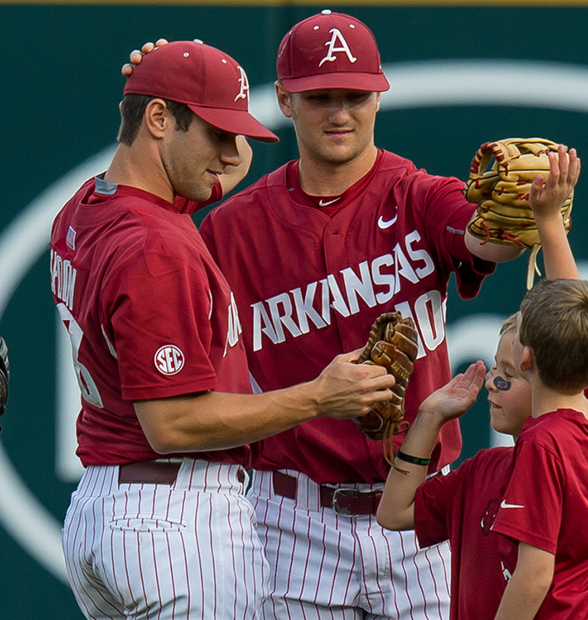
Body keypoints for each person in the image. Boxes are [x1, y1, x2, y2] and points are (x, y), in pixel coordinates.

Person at [50, 40, 394, 620]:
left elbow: (183, 181)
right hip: (176, 518)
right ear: (160, 120)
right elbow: (173, 424)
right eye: (217, 133)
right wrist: (317, 397)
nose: (231, 153)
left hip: (104, 508)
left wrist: (153, 92)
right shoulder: (157, 248)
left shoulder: (89, 205)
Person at [198, 10, 524, 619]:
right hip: (293, 518)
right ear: (285, 101)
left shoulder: (419, 193)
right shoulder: (231, 230)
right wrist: (153, 92)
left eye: (355, 95)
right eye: (320, 96)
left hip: (422, 506)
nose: (340, 112)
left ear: (379, 96)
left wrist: (527, 215)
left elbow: (486, 240)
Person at [377, 147, 588, 620]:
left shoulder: (547, 441)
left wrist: (549, 223)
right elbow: (394, 513)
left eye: (507, 372)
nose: (494, 384)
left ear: (531, 356)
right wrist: (429, 416)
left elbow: (534, 574)